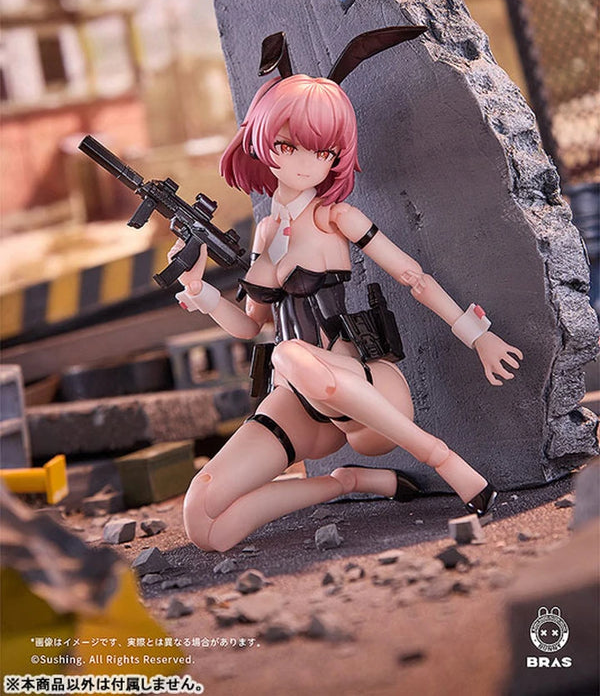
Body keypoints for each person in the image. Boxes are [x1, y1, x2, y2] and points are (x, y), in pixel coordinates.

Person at [170, 34, 523, 554]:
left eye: (323, 152)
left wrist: (479, 337)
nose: (306, 163)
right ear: (263, 143)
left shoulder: (336, 218)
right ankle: (348, 483)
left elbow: (413, 276)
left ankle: (445, 461)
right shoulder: (266, 233)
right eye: (288, 146)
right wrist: (201, 292)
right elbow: (251, 326)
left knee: (289, 353)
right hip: (300, 403)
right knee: (203, 522)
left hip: (367, 393)